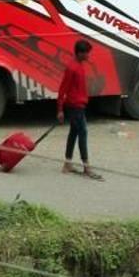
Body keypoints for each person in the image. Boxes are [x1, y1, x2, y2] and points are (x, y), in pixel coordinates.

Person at [58, 38, 98, 178]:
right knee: (83, 132)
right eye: (87, 53)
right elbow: (62, 89)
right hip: (75, 106)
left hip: (78, 105)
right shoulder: (72, 68)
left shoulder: (79, 65)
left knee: (74, 133)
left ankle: (67, 163)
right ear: (80, 53)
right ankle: (86, 166)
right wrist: (60, 110)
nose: (89, 55)